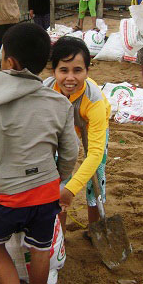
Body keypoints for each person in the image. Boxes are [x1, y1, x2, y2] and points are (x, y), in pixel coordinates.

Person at [0, 23, 79, 284]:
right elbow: (70, 152)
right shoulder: (60, 103)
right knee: (40, 248)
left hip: (7, 197)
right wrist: (58, 177)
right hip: (45, 194)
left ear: (10, 61)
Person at [44, 37, 111, 237]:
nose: (70, 78)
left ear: (87, 72)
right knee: (57, 171)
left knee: (96, 173)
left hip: (90, 123)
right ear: (54, 71)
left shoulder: (95, 101)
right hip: (63, 123)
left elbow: (96, 153)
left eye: (78, 70)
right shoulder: (46, 91)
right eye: (63, 70)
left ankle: (95, 230)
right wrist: (64, 187)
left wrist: (71, 190)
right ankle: (59, 235)